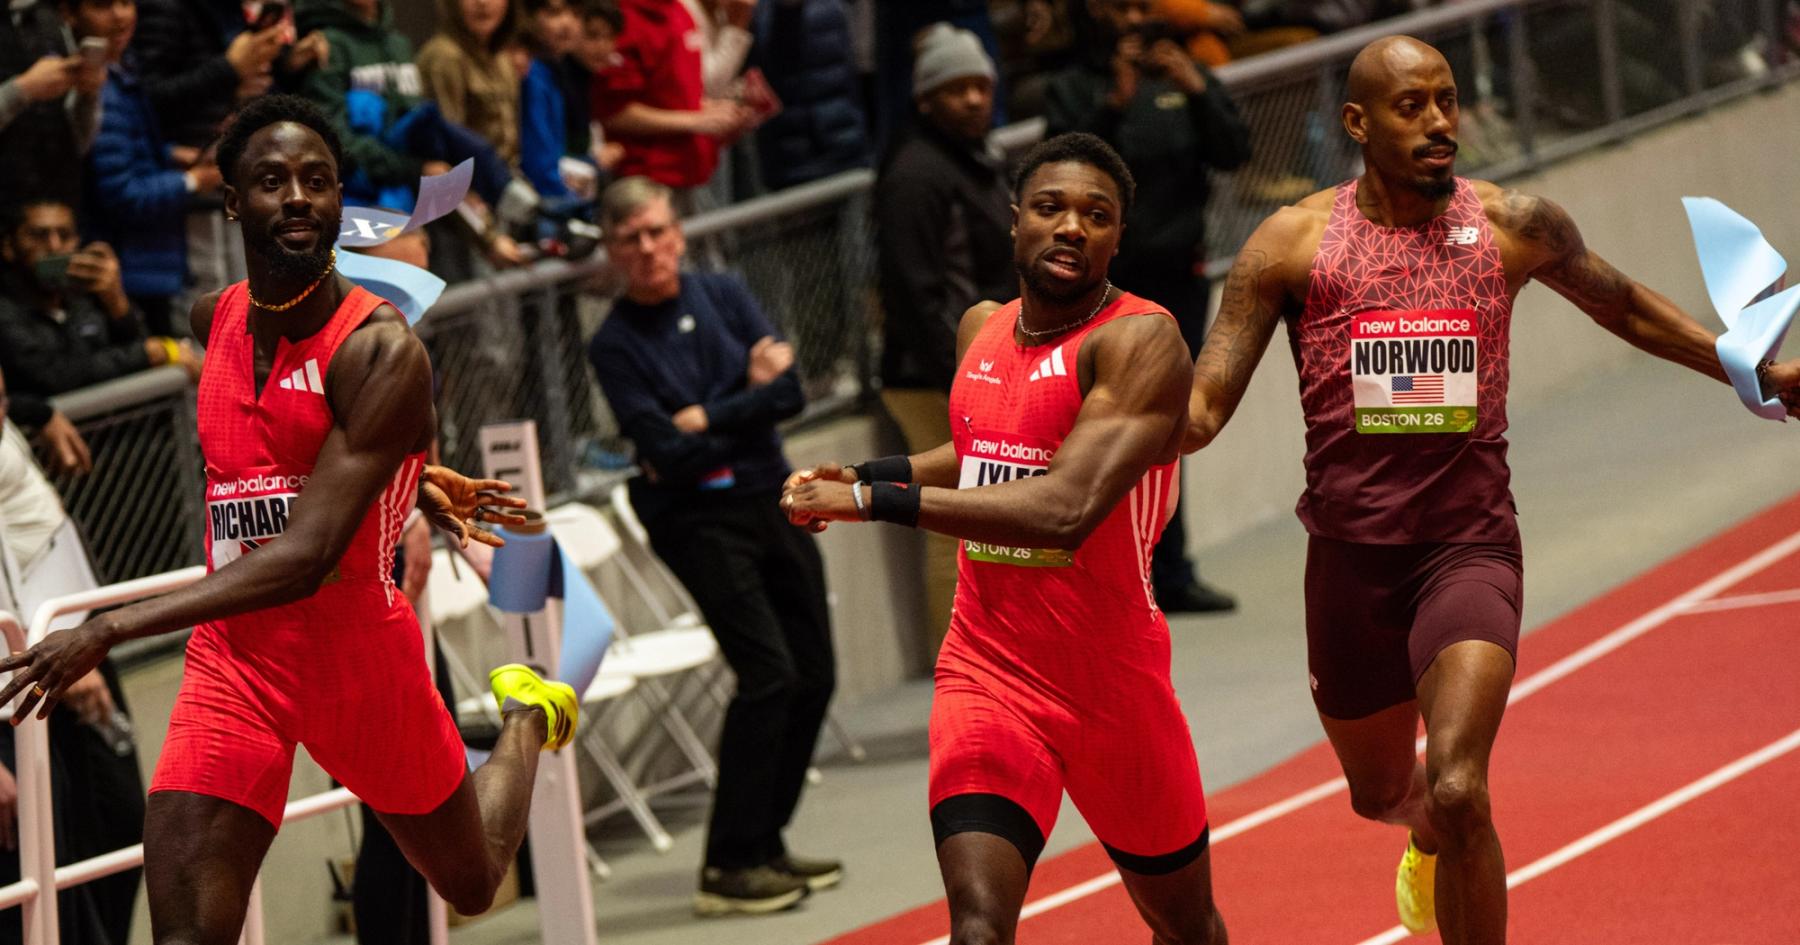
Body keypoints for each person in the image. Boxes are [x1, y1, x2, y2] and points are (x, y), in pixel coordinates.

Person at [1179, 35, 1800, 944]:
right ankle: (1422, 832)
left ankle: (1452, 833)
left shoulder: (1513, 224)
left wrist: (1755, 371)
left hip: (1466, 550)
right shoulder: (1291, 244)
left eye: (1447, 100)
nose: (1439, 122)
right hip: (1350, 568)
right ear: (1355, 122)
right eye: (1411, 106)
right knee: (1387, 793)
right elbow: (1199, 411)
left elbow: (1622, 305)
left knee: (1463, 784)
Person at [0, 94, 580, 944]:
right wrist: (409, 479)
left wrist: (107, 628)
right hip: (235, 665)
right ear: (233, 202)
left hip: (360, 665)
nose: (299, 196)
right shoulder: (214, 319)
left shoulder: (381, 350)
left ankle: (527, 713)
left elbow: (307, 553)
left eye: (318, 180)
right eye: (271, 180)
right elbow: (288, 460)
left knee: (474, 877)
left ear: (341, 199)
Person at [783, 132, 1227, 945]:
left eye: (1097, 216)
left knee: (1188, 927)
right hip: (987, 671)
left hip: (1112, 687)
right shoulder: (980, 329)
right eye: (1052, 207)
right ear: (1013, 216)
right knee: (979, 929)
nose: (1071, 227)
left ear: (1117, 238)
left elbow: (1064, 506)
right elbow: (984, 447)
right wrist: (863, 467)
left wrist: (869, 498)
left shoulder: (1140, 341)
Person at [587, 175, 840, 917]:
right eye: (631, 238)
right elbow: (666, 448)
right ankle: (727, 863)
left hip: (771, 491)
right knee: (768, 672)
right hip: (693, 517)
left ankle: (765, 841)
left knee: (815, 672)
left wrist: (709, 416)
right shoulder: (614, 344)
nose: (649, 249)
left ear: (680, 232)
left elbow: (790, 393)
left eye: (658, 231)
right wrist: (735, 407)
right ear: (611, 250)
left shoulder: (724, 294)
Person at [1044, 0, 1249, 614]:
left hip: (1177, 280)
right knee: (1097, 429)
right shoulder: (1073, 89)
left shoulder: (1179, 78)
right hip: (1102, 288)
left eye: (1140, 10)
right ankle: (1104, 573)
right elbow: (1064, 173)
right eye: (1120, 11)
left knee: (1168, 425)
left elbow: (1235, 148)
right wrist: (1116, 99)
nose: (1133, 23)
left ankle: (1172, 572)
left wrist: (1196, 86)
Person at [873, 22, 1012, 655]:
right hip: (934, 377)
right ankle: (961, 669)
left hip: (980, 366)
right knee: (952, 523)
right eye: (955, 89)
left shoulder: (976, 158)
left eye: (979, 86)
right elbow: (914, 292)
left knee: (982, 518)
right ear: (926, 99)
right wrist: (964, 376)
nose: (973, 99)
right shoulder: (916, 174)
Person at [77, 0, 226, 337]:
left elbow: (128, 146)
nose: (119, 15)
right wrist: (192, 181)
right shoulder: (97, 87)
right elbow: (123, 195)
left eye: (127, 2)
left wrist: (171, 154)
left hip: (150, 262)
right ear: (69, 14)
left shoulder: (122, 69)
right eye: (103, 5)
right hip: (129, 270)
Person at [0, 198, 203, 402]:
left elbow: (133, 351)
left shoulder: (84, 301)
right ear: (9, 246)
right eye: (39, 235)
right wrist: (146, 353)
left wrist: (117, 301)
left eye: (64, 235)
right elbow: (53, 376)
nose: (54, 246)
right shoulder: (6, 312)